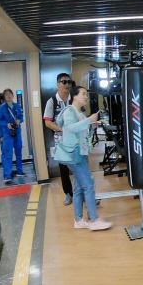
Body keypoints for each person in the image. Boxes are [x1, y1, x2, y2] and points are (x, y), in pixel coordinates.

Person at [55, 86, 112, 231]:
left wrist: (91, 126)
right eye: (83, 94)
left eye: (86, 94)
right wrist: (89, 120)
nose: (86, 97)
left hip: (80, 153)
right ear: (74, 96)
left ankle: (79, 220)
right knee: (88, 185)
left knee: (79, 188)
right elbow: (71, 128)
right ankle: (93, 220)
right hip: (75, 154)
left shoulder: (80, 113)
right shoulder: (70, 111)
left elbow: (81, 132)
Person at [43, 73, 75, 205]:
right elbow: (47, 122)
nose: (67, 84)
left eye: (69, 82)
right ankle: (68, 194)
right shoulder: (52, 101)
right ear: (58, 84)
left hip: (75, 141)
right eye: (64, 82)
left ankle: (85, 194)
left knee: (80, 168)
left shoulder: (74, 99)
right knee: (63, 169)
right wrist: (61, 129)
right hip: (61, 142)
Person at [0, 89, 25, 185]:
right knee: (7, 154)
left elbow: (21, 117)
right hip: (7, 134)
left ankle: (19, 171)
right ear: (4, 97)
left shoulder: (17, 106)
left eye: (10, 94)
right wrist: (6, 124)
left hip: (17, 132)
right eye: (6, 95)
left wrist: (19, 120)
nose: (8, 96)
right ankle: (7, 176)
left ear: (13, 95)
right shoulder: (2, 108)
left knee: (19, 151)